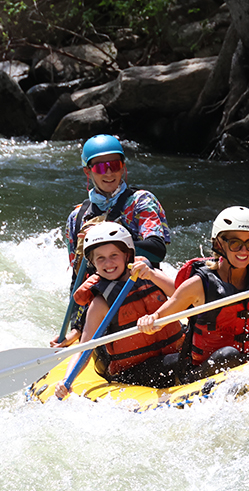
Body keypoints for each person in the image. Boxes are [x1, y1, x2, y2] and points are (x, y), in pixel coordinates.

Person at [137, 206, 249, 382]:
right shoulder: (199, 284)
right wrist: (150, 320)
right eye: (235, 243)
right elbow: (160, 319)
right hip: (201, 375)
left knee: (233, 356)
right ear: (219, 244)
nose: (244, 251)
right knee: (229, 355)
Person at [53, 134, 172, 347]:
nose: (108, 173)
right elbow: (79, 277)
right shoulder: (78, 217)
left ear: (123, 167)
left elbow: (156, 250)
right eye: (100, 167)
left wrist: (104, 236)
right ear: (88, 172)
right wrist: (75, 328)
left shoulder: (141, 202)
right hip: (103, 309)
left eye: (114, 165)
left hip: (145, 302)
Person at [54, 222, 184, 399]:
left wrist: (153, 275)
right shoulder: (101, 302)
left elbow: (182, 297)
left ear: (127, 255)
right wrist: (66, 381)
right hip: (132, 371)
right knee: (183, 361)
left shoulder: (149, 274)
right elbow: (84, 348)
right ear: (92, 262)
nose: (108, 263)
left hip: (170, 351)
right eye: (100, 258)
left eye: (114, 255)